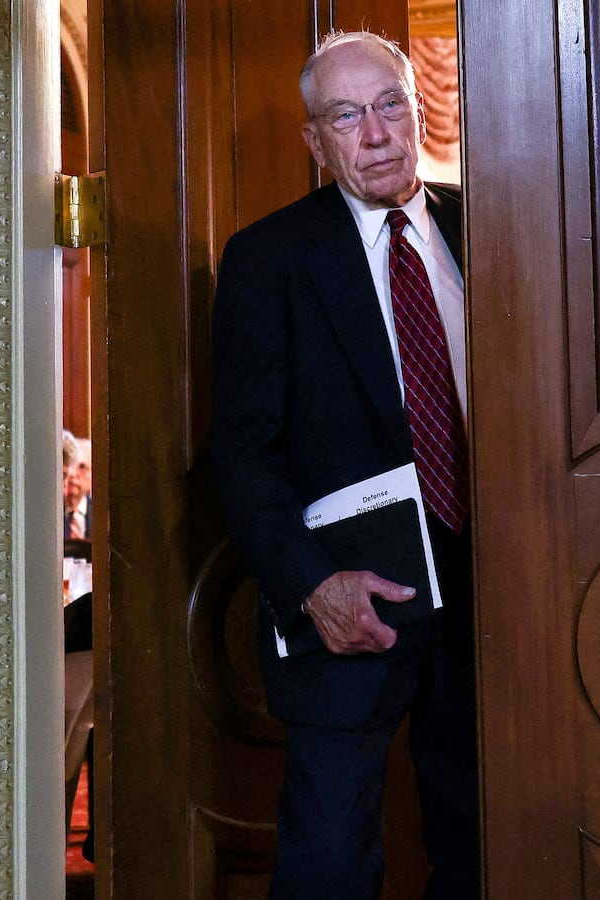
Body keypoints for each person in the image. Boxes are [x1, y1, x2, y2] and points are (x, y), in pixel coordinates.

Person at [208, 30, 477, 900]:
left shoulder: (491, 230)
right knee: (330, 858)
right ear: (314, 142)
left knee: (487, 848)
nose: (377, 132)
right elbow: (242, 454)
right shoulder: (269, 259)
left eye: (391, 104)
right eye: (346, 116)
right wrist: (315, 584)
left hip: (492, 608)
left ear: (421, 110)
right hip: (349, 605)